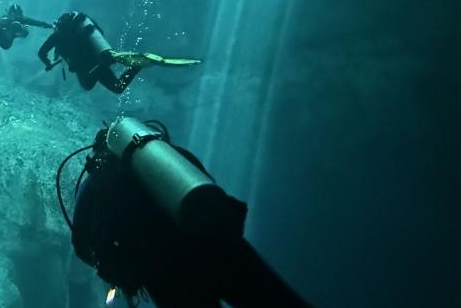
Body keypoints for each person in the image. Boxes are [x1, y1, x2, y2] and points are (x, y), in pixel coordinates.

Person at [57, 118, 311, 308]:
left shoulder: (92, 186)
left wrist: (116, 266)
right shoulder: (168, 157)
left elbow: (81, 245)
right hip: (217, 244)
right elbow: (205, 185)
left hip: (164, 273)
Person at [38, 12, 201, 94]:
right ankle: (138, 64)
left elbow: (41, 53)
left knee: (90, 85)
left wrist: (48, 64)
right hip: (96, 56)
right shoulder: (69, 33)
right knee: (117, 88)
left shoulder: (56, 36)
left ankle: (135, 65)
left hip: (88, 64)